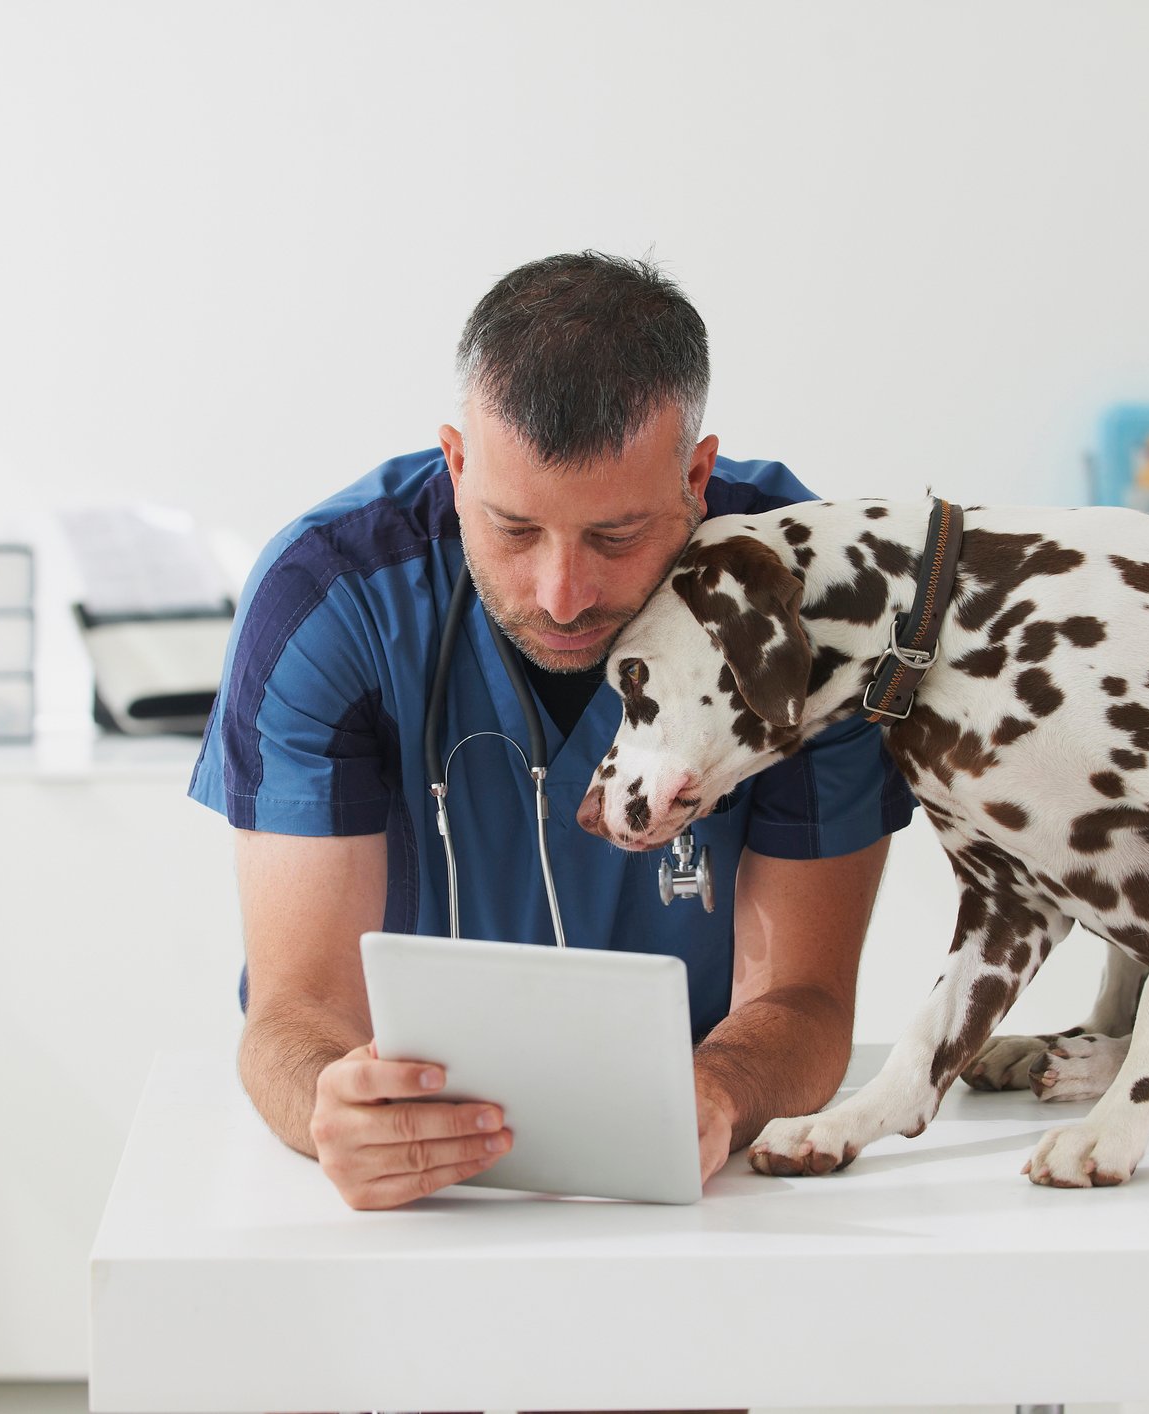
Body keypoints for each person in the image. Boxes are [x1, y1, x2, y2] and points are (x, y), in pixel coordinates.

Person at [188, 251, 913, 1211]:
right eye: (513, 529)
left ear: (696, 475)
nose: (561, 595)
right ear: (454, 465)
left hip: (695, 1176)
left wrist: (717, 1091)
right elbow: (294, 1011)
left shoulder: (808, 609)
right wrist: (330, 1103)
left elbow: (806, 1004)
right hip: (428, 1191)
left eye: (616, 537)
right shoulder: (327, 602)